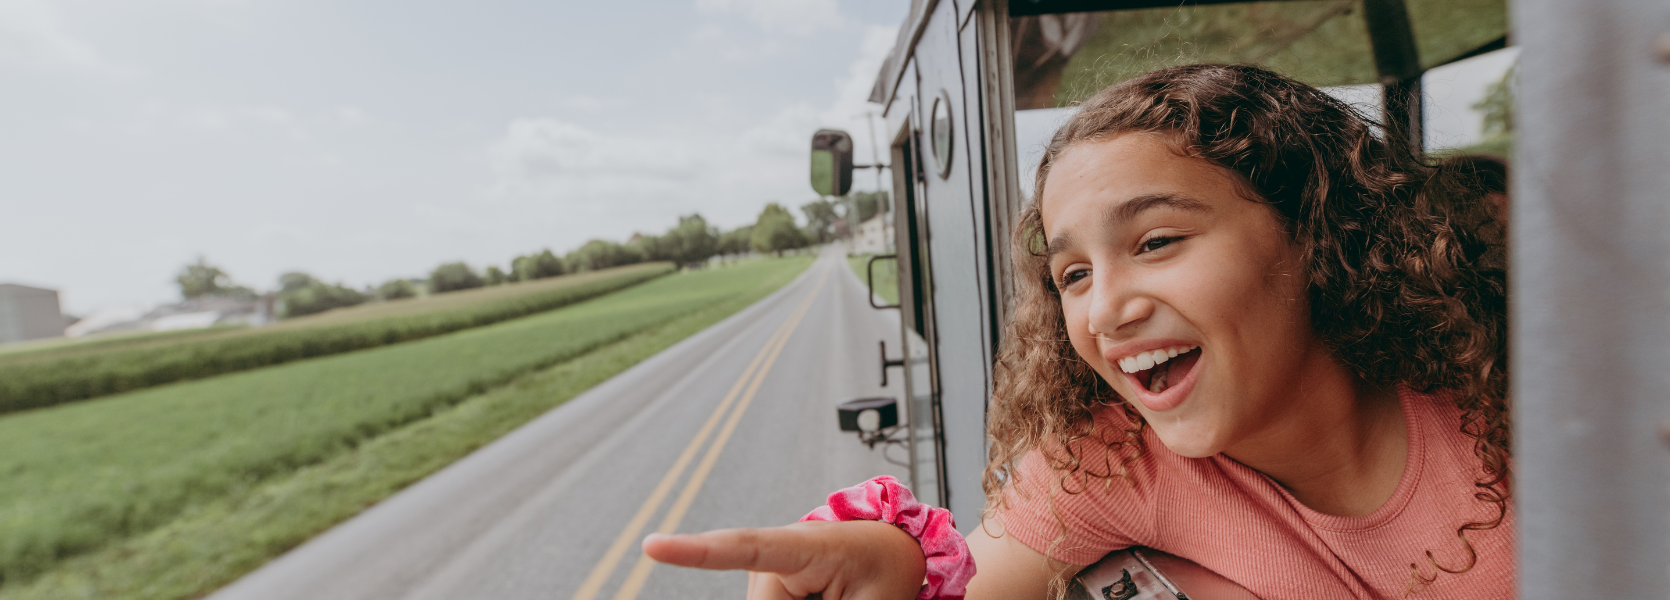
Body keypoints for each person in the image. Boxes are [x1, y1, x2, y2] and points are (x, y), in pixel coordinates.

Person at [643, 64, 1512, 600]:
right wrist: (889, 566)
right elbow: (972, 575)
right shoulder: (1114, 460)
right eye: (1073, 275)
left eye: (1158, 241)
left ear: (1317, 235)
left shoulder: (1506, 390)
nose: (1106, 310)